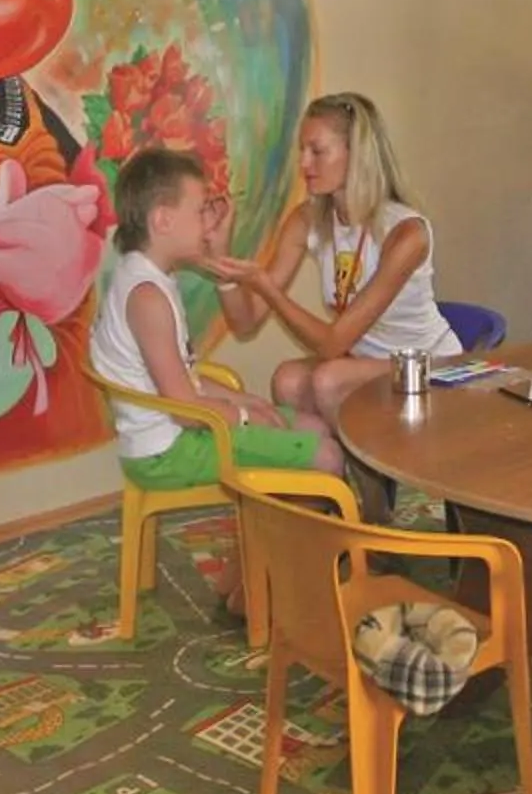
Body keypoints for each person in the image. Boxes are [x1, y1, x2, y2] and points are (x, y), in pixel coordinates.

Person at [89, 147, 341, 544]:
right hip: (168, 452)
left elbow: (183, 378)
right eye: (200, 210)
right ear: (163, 220)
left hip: (178, 431)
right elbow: (184, 409)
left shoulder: (145, 277)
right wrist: (243, 416)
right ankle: (280, 564)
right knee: (326, 456)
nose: (208, 222)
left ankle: (270, 559)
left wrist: (248, 403)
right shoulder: (148, 299)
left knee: (313, 426)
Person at [208, 93, 461, 438]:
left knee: (329, 379)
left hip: (426, 364)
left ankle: (366, 472)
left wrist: (266, 287)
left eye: (317, 151)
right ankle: (331, 468)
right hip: (364, 361)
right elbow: (245, 322)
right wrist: (219, 254)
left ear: (356, 155)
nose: (304, 163)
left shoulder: (406, 233)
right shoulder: (306, 220)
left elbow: (331, 345)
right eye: (302, 150)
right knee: (287, 380)